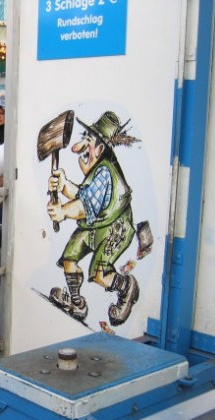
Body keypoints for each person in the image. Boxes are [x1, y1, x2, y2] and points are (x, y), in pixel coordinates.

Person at [46, 111, 141, 326]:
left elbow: (84, 207)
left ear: (100, 148)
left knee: (100, 275)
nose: (80, 147)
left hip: (116, 228)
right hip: (97, 223)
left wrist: (62, 212)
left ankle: (126, 285)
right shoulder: (98, 167)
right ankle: (78, 304)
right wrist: (63, 185)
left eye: (87, 141)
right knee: (69, 258)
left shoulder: (105, 172)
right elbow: (84, 194)